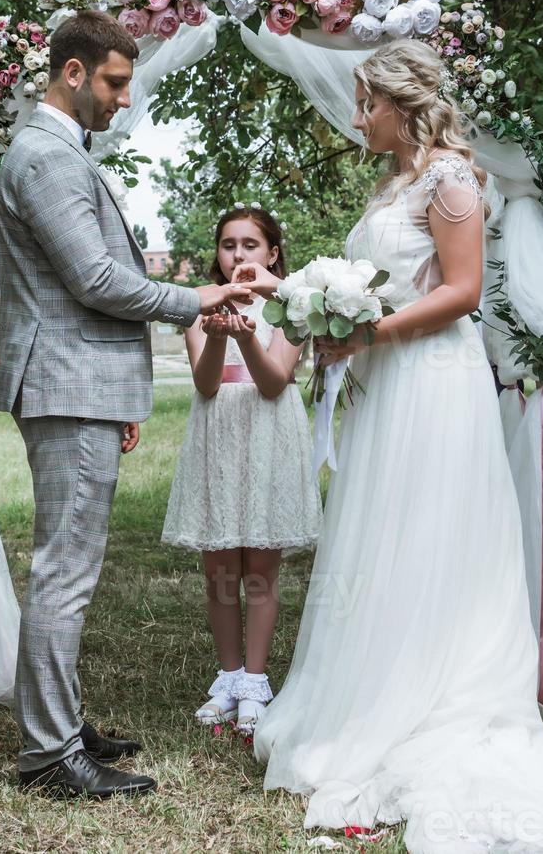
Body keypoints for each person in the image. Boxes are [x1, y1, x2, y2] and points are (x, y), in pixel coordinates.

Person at [234, 40, 543, 851]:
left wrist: (365, 329)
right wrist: (315, 307)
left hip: (434, 385)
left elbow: (461, 293)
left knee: (427, 535)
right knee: (383, 537)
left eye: (366, 104)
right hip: (389, 384)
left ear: (402, 103)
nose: (356, 118)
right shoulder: (396, 184)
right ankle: (371, 686)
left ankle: (429, 695)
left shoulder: (452, 180)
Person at [0, 10, 252, 799]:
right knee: (63, 570)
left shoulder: (60, 152)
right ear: (73, 73)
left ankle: (62, 725)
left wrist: (120, 395)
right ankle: (48, 755)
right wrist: (199, 296)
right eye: (112, 82)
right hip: (66, 383)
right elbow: (97, 281)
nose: (122, 99)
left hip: (84, 384)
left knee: (72, 563)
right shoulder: (45, 157)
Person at [162, 208, 322, 736]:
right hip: (219, 431)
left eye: (251, 245)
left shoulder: (291, 308)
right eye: (229, 245)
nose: (238, 255)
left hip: (268, 430)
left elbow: (275, 382)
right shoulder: (199, 308)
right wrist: (215, 335)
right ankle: (228, 676)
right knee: (219, 564)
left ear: (272, 253)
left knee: (260, 563)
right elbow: (206, 384)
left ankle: (255, 679)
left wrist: (247, 336)